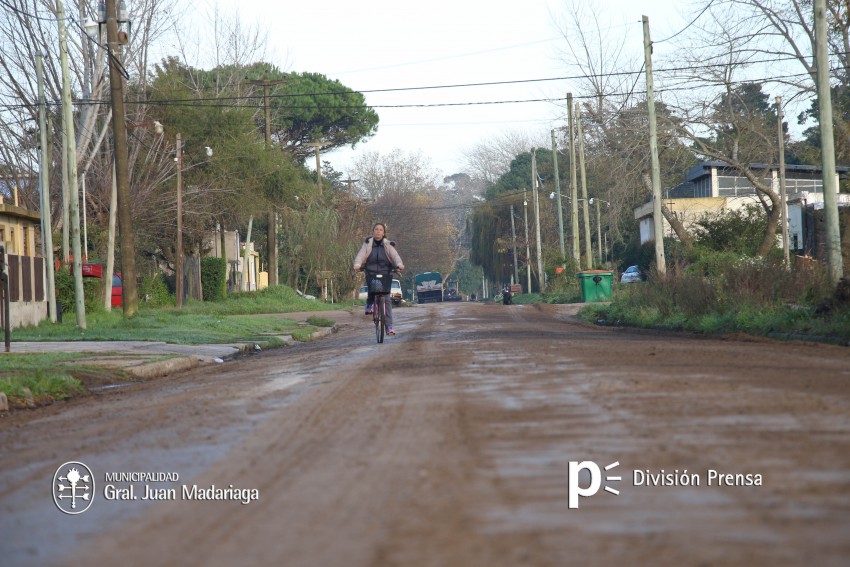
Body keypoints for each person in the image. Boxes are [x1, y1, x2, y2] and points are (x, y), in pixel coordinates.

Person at [353, 223, 405, 336]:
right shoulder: (368, 243)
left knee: (387, 299)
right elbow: (361, 254)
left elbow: (395, 256)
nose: (378, 231)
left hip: (385, 272)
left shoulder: (388, 244)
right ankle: (369, 304)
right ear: (373, 231)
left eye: (381, 230)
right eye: (376, 229)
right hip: (371, 272)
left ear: (384, 233)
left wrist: (399, 264)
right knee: (372, 289)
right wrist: (357, 264)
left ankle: (389, 327)